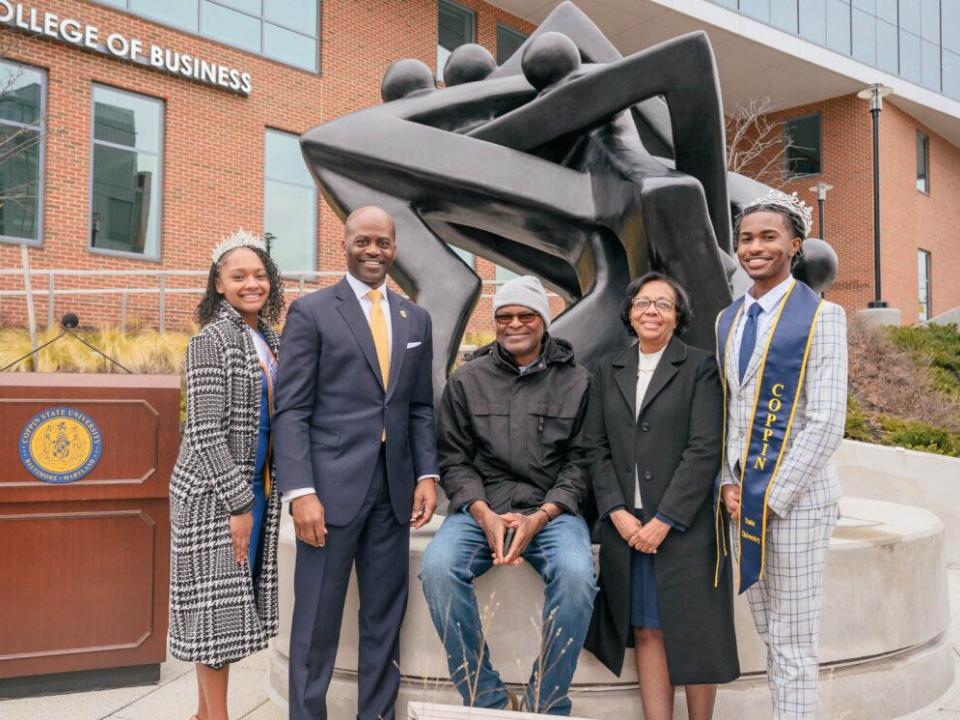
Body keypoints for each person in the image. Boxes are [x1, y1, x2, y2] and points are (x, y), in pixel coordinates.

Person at [272, 206, 439, 720]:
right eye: (363, 240)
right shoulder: (313, 311)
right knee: (317, 624)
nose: (373, 251)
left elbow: (418, 407)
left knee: (384, 620)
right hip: (328, 494)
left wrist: (427, 475)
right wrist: (300, 492)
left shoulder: (416, 317)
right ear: (344, 242)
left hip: (393, 493)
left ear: (395, 248)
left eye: (383, 242)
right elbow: (292, 408)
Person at [419, 275, 597, 716]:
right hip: (482, 510)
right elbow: (454, 459)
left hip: (553, 512)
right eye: (505, 317)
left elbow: (582, 461)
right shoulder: (468, 379)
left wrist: (544, 514)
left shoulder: (577, 381)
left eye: (526, 315)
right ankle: (486, 698)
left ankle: (545, 701)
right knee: (438, 569)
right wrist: (483, 513)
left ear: (544, 321)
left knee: (577, 578)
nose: (514, 323)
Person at [584, 272, 739, 720]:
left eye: (663, 305)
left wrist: (665, 519)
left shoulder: (700, 368)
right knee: (647, 629)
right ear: (629, 314)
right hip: (627, 525)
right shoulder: (607, 369)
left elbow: (705, 448)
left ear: (678, 317)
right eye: (643, 303)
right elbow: (595, 447)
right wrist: (615, 510)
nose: (651, 311)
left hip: (684, 526)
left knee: (695, 631)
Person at [717, 190, 847, 719]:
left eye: (768, 237)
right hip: (737, 503)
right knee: (770, 633)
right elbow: (726, 410)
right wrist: (728, 481)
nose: (755, 247)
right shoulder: (726, 319)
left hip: (795, 506)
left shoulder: (824, 317)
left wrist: (770, 497)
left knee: (793, 643)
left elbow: (826, 421)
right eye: (746, 238)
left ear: (795, 245)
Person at [169, 230, 285, 720]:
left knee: (228, 611)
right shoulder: (210, 340)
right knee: (214, 616)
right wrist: (239, 506)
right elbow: (204, 432)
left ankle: (203, 714)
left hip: (252, 491)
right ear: (218, 283)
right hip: (214, 494)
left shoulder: (268, 337)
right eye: (238, 276)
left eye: (259, 275)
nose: (251, 283)